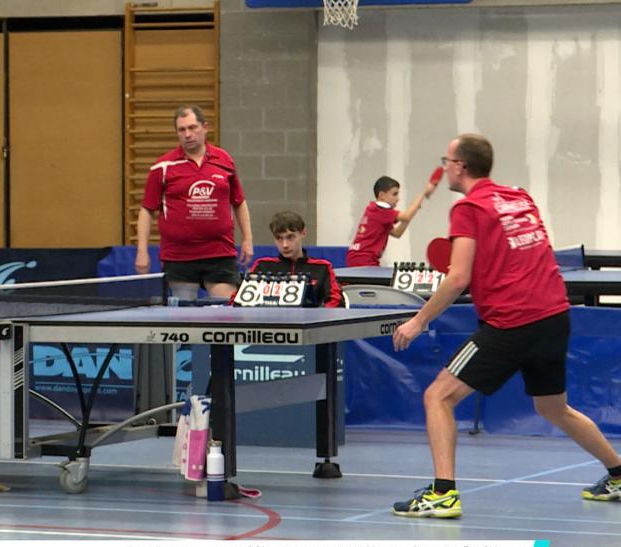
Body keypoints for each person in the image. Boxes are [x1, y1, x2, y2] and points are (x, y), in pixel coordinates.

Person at [390, 133, 621, 518]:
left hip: (512, 321)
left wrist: (418, 320)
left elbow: (458, 277)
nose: (443, 167)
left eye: (446, 160)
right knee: (553, 407)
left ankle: (443, 493)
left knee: (438, 397)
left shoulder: (468, 208)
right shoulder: (518, 196)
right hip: (553, 315)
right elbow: (516, 251)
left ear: (461, 167)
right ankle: (618, 473)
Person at [135, 105, 253, 300]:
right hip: (179, 257)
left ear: (205, 127)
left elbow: (239, 202)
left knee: (224, 314)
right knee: (184, 318)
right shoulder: (162, 167)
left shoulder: (224, 161)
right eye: (182, 130)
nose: (187, 134)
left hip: (219, 254)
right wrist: (142, 251)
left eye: (192, 127)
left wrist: (247, 239)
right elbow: (147, 210)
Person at [246, 210, 342, 308]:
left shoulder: (322, 267)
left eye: (290, 237)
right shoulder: (262, 266)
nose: (285, 245)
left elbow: (336, 300)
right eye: (279, 238)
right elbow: (239, 300)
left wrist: (318, 317)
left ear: (303, 233)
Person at [346, 174, 437, 267]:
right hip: (363, 259)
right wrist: (424, 193)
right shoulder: (380, 209)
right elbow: (406, 216)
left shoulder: (375, 210)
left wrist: (414, 210)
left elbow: (397, 233)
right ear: (382, 195)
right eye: (394, 194)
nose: (398, 199)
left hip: (359, 257)